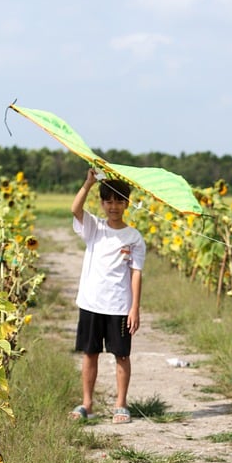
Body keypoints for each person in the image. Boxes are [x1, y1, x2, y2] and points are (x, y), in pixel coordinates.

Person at [69, 168, 146, 424]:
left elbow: (136, 273)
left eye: (119, 201)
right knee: (90, 353)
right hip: (91, 302)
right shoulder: (94, 227)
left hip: (119, 306)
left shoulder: (134, 237)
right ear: (102, 203)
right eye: (109, 201)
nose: (114, 206)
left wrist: (135, 307)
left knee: (121, 355)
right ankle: (87, 403)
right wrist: (88, 183)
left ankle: (121, 404)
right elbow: (75, 210)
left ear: (127, 203)